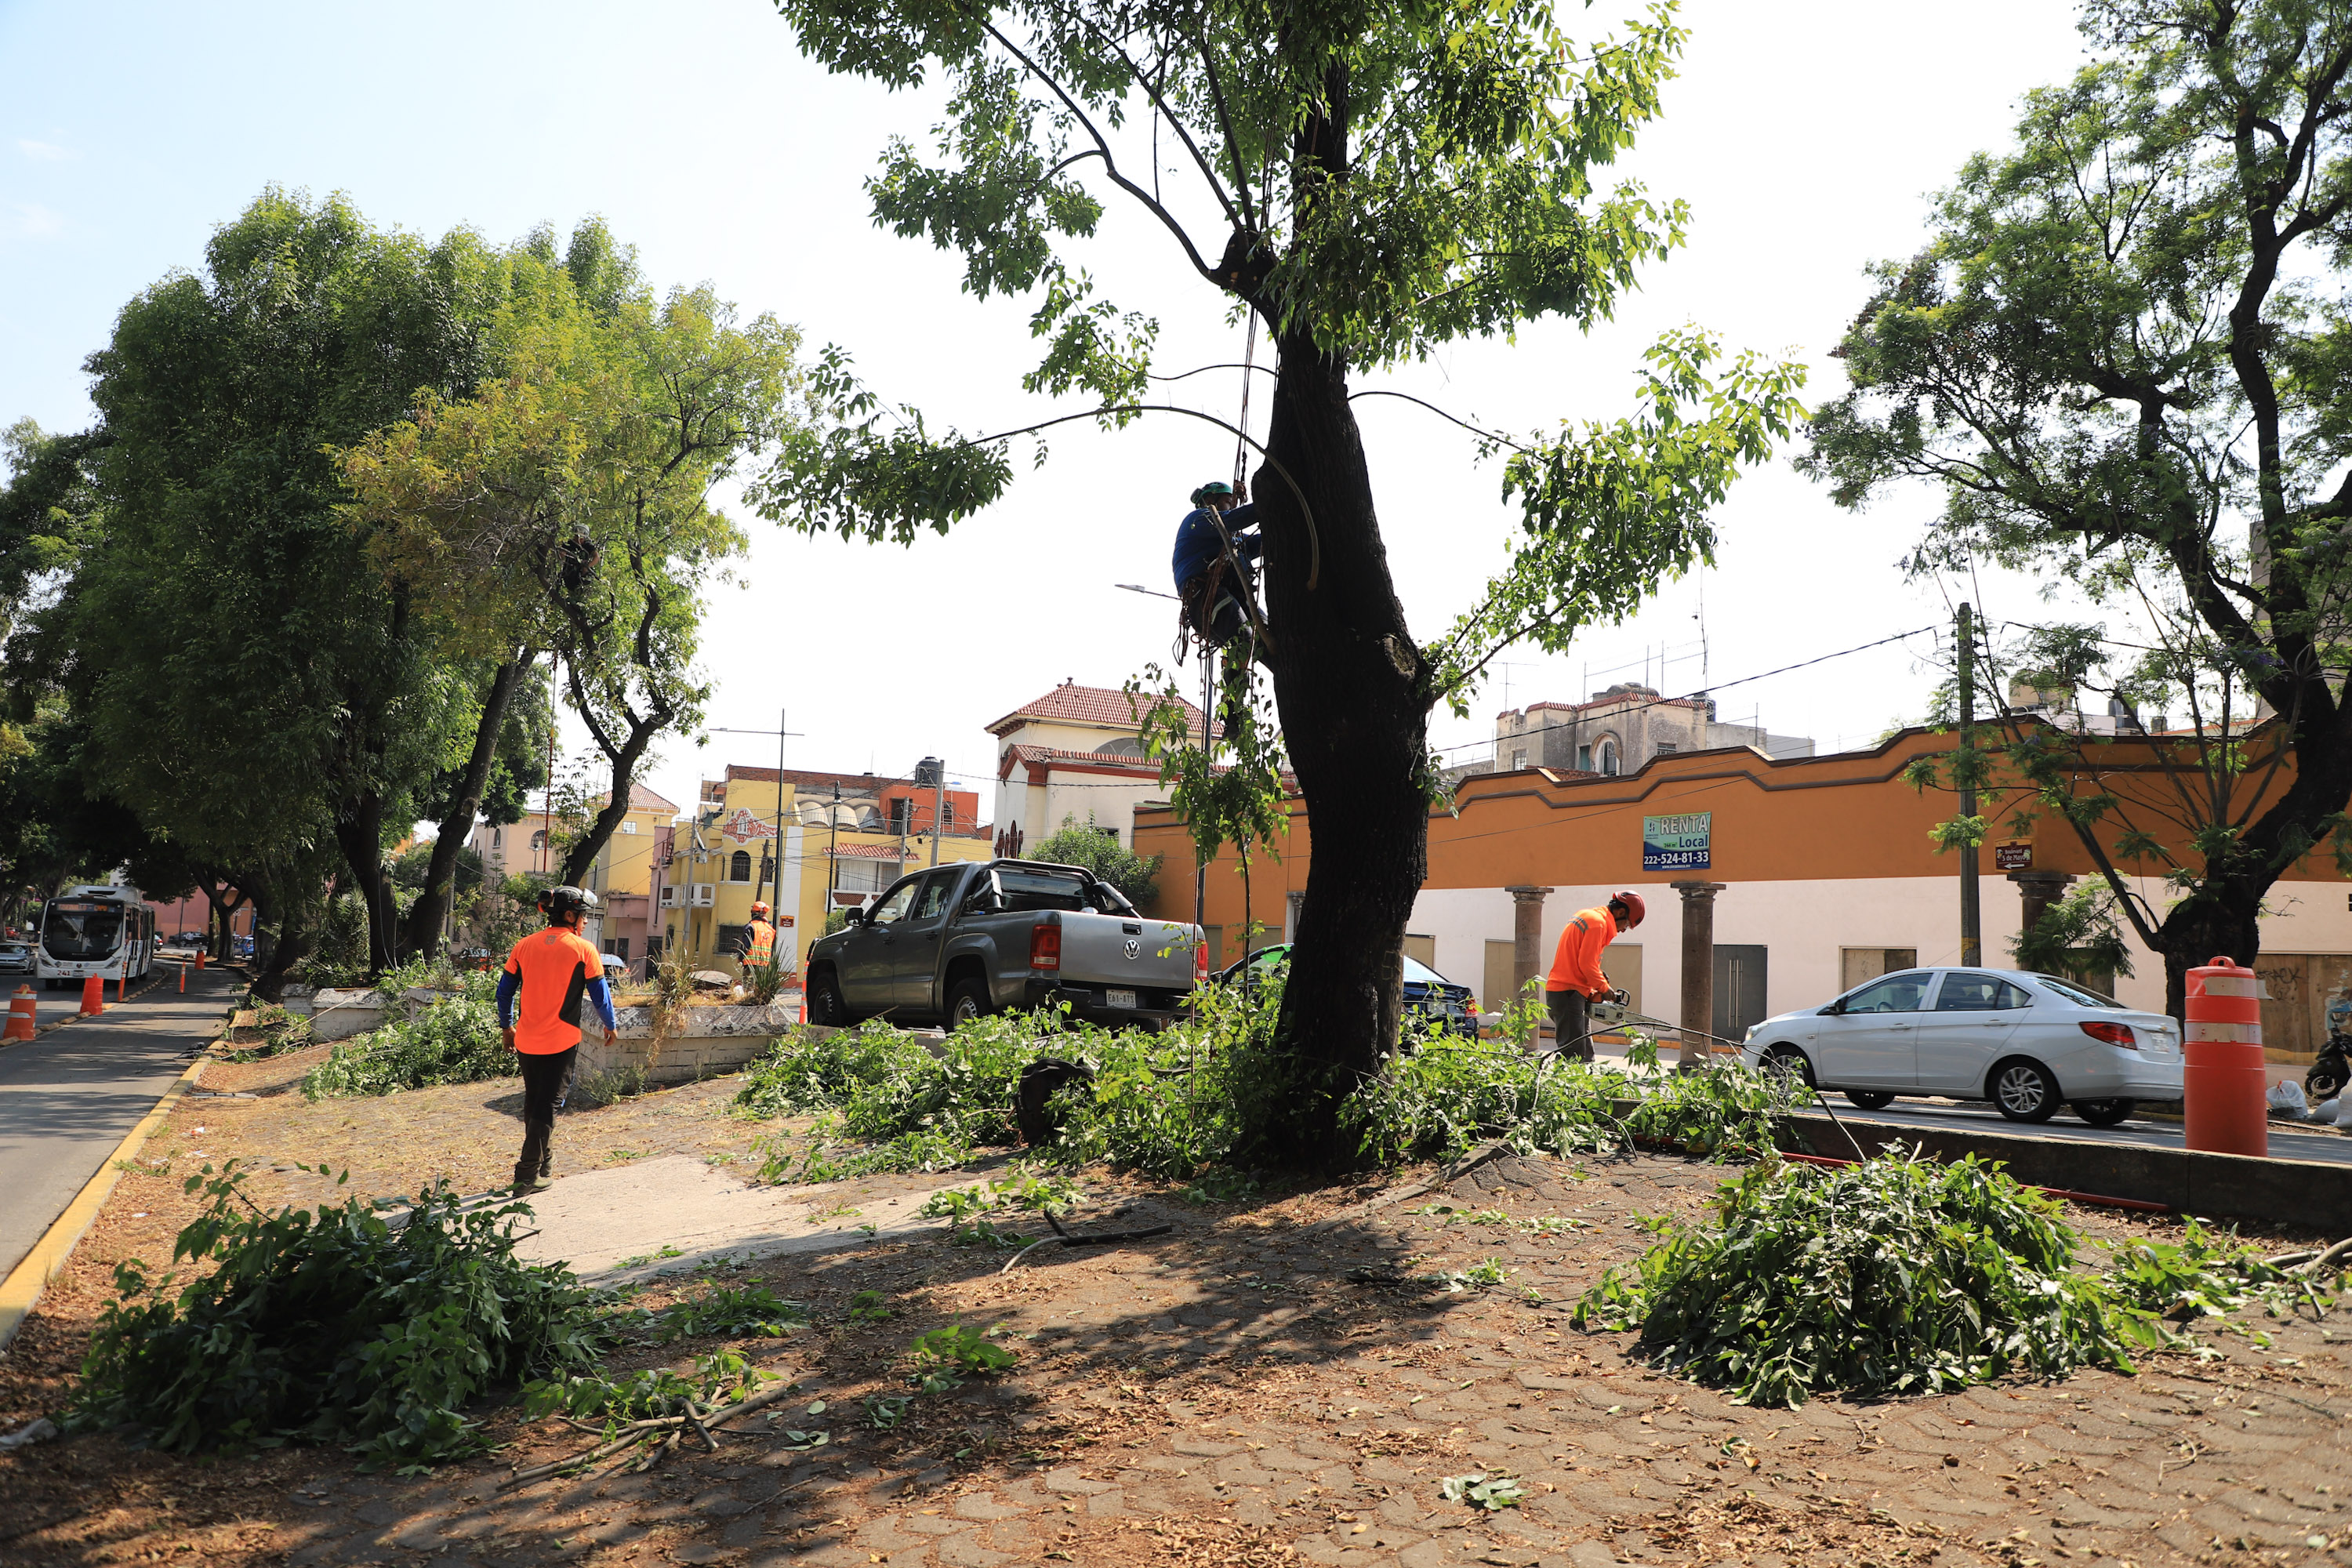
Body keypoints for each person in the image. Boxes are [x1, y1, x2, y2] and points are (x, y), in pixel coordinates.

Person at [495, 885, 619, 1193]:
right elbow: (601, 996)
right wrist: (611, 1025)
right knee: (547, 1105)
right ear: (569, 915)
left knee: (535, 1101)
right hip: (561, 1041)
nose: (586, 922)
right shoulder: (583, 949)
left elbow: (504, 992)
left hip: (526, 1039)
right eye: (583, 916)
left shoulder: (523, 946)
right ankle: (526, 1175)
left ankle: (544, 1164)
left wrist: (506, 1027)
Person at [1543, 891, 1645, 1062]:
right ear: (1620, 913)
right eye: (1626, 925)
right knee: (1573, 1057)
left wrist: (1596, 984)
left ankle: (1585, 1087)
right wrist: (1605, 989)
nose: (1623, 931)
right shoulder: (1598, 924)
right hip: (1568, 992)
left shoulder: (1588, 916)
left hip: (1569, 991)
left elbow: (1580, 961)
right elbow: (1586, 965)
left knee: (1586, 1054)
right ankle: (1568, 1088)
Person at [1171, 479, 1260, 648]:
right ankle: (1235, 671)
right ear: (1211, 500)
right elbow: (1232, 520)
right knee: (1245, 641)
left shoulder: (1235, 540)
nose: (1231, 507)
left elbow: (1261, 542)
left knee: (1268, 635)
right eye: (1227, 502)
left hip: (1236, 596)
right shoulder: (1199, 519)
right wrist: (1267, 501)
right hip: (1205, 596)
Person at [745, 900, 778, 971]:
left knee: (749, 982)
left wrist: (740, 959)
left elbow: (745, 946)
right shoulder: (771, 929)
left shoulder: (751, 926)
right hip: (765, 966)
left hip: (750, 965)